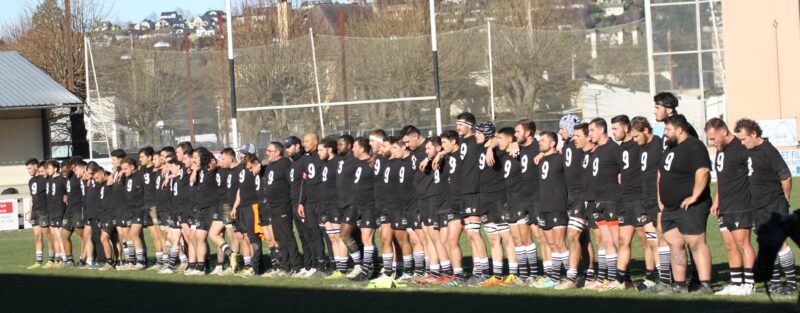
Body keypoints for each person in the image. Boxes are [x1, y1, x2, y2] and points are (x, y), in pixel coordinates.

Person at [734, 118, 796, 296]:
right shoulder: (749, 150)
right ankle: (776, 283)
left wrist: (785, 199)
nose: (742, 142)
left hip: (773, 203)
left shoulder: (768, 150)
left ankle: (791, 284)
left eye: (744, 138)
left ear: (754, 134)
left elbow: (785, 176)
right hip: (757, 205)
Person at [658, 114, 713, 295]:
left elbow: (703, 171)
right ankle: (680, 285)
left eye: (667, 130)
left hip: (690, 207)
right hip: (670, 208)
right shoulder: (670, 149)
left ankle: (705, 285)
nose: (665, 134)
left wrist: (694, 196)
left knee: (696, 243)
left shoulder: (694, 146)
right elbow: (661, 175)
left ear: (679, 129)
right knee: (675, 243)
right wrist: (661, 200)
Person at [705, 118, 756, 296]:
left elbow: (753, 176)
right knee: (729, 245)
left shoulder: (741, 149)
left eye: (713, 138)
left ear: (724, 132)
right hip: (724, 206)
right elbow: (722, 179)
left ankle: (749, 285)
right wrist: (717, 201)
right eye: (709, 140)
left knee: (743, 244)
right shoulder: (720, 150)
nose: (712, 143)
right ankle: (736, 283)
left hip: (740, 205)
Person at [612, 115, 659, 289]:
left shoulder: (638, 144)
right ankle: (621, 280)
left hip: (639, 198)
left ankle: (651, 276)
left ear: (627, 129)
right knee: (623, 240)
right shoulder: (620, 148)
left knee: (646, 239)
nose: (614, 132)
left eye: (616, 128)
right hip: (624, 200)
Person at [630, 116, 672, 292]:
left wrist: (662, 197)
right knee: (652, 241)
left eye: (636, 136)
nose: (634, 140)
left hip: (659, 199)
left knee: (664, 239)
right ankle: (660, 279)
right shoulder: (642, 147)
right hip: (645, 199)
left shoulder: (660, 145)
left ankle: (670, 279)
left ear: (646, 131)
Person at [473, 121, 517, 287]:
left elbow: (509, 141)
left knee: (506, 237)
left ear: (487, 134)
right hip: (485, 199)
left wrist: (491, 147)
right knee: (492, 238)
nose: (475, 135)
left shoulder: (497, 147)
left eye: (478, 133)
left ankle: (513, 274)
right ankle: (497, 275)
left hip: (499, 198)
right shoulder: (477, 148)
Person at [587, 118, 624, 291]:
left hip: (611, 199)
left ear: (602, 130)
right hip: (598, 200)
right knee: (605, 240)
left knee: (614, 241)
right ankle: (607, 278)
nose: (590, 134)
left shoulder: (613, 149)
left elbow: (625, 168)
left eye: (592, 130)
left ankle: (618, 278)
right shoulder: (597, 150)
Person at [556, 117, 593, 290]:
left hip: (582, 195)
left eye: (562, 128)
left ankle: (571, 278)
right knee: (583, 238)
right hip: (571, 196)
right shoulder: (566, 146)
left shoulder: (584, 146)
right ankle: (590, 275)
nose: (560, 131)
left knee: (572, 235)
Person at [453, 112, 490, 284]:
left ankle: (484, 272)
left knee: (475, 233)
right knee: (470, 235)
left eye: (460, 124)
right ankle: (477, 271)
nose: (457, 127)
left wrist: (491, 146)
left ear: (470, 126)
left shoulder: (477, 139)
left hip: (475, 192)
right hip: (464, 193)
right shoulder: (461, 142)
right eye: (457, 124)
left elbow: (495, 139)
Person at [533, 131, 569, 289]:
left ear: (553, 143)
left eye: (543, 141)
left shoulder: (560, 159)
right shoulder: (541, 159)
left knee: (560, 243)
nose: (539, 143)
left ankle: (570, 276)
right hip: (544, 206)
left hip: (558, 206)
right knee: (551, 243)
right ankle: (554, 278)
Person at [262, 141, 301, 277]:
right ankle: (285, 266)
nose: (267, 153)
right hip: (273, 206)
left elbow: (291, 183)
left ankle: (296, 266)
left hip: (283, 205)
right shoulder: (270, 165)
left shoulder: (285, 163)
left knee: (287, 236)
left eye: (269, 150)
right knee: (278, 237)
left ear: (277, 152)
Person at [348, 137, 379, 281]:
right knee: (365, 239)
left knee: (367, 238)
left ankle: (365, 271)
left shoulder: (373, 163)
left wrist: (375, 155)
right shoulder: (357, 162)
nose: (352, 149)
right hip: (358, 205)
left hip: (370, 205)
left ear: (361, 149)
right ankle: (374, 267)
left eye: (354, 146)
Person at [231, 153, 265, 278]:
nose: (242, 157)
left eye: (245, 156)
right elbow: (240, 190)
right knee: (246, 238)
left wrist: (259, 164)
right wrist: (235, 206)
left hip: (253, 207)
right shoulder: (243, 170)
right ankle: (251, 266)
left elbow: (266, 161)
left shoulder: (258, 167)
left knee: (254, 237)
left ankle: (256, 267)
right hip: (243, 208)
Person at [139, 147, 165, 269]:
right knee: (154, 236)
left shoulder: (156, 171)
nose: (140, 159)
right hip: (146, 205)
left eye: (142, 157)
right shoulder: (142, 169)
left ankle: (164, 260)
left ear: (150, 157)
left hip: (155, 205)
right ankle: (159, 261)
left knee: (160, 234)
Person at [25, 158, 52, 269]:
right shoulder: (31, 181)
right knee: (37, 236)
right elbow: (32, 197)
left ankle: (51, 259)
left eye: (30, 168)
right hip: (35, 211)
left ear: (36, 167)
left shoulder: (44, 179)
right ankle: (39, 261)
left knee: (47, 236)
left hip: (43, 211)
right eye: (27, 169)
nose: (28, 170)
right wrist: (30, 212)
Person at [45, 160, 68, 268]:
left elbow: (68, 192)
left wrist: (67, 197)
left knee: (59, 236)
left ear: (55, 168)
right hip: (51, 210)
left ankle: (65, 258)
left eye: (49, 168)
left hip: (59, 209)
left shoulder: (62, 180)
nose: (47, 170)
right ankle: (58, 259)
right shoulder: (49, 180)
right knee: (54, 236)